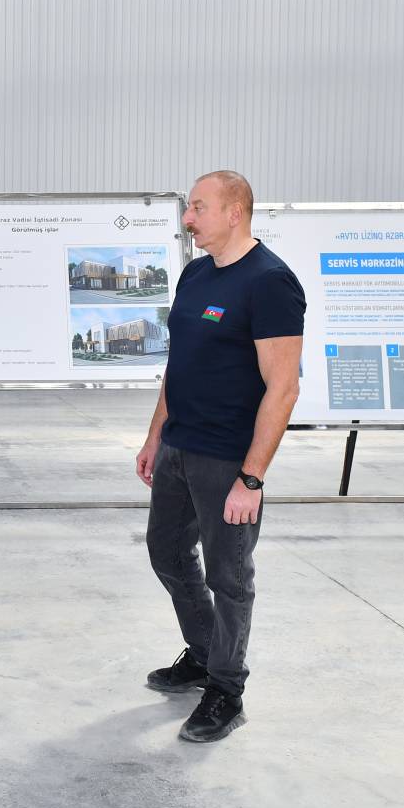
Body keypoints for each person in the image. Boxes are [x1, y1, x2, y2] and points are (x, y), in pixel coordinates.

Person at [135, 170, 304, 743]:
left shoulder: (270, 283)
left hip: (228, 458)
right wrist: (155, 436)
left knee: (229, 577)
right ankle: (206, 651)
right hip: (179, 445)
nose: (188, 218)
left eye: (198, 208)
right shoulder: (196, 274)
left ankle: (227, 690)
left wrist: (250, 478)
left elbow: (283, 389)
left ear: (235, 212)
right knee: (166, 552)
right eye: (189, 208)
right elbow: (178, 365)